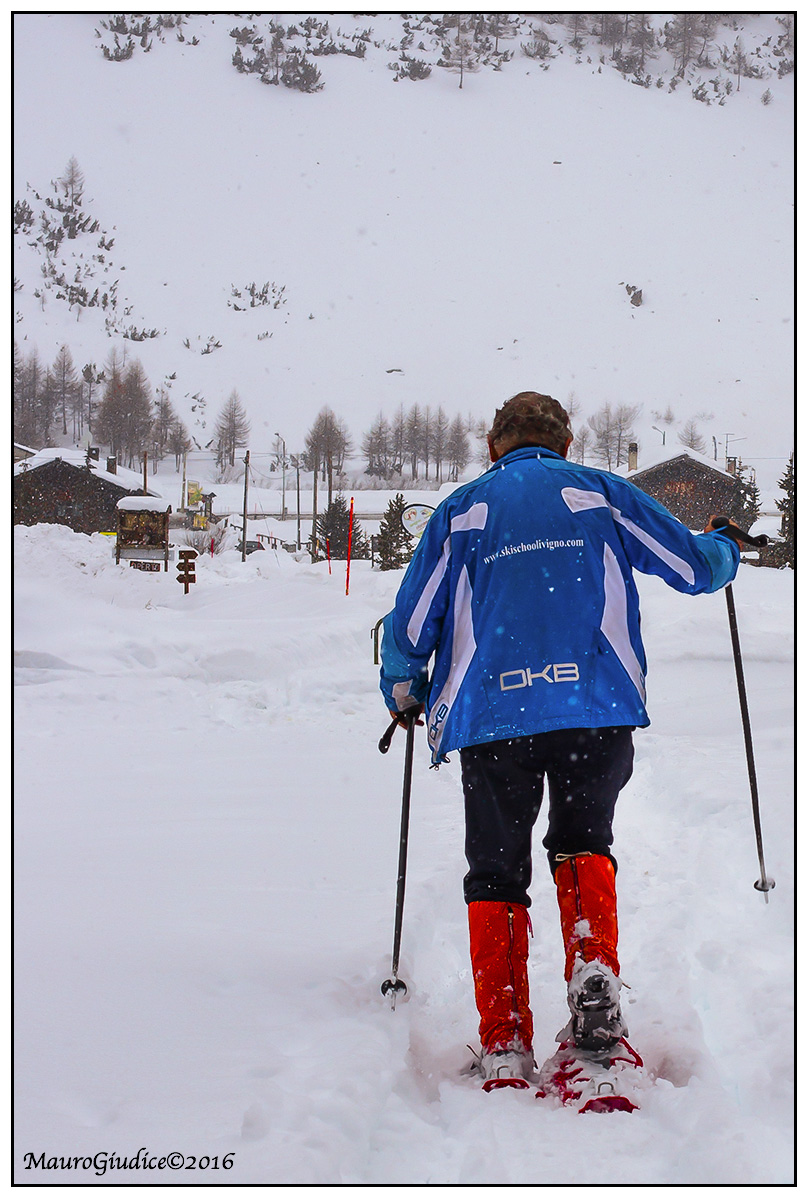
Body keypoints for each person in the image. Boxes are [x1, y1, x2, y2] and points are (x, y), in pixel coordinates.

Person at [379, 391, 743, 1090]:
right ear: (563, 444)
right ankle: (592, 972)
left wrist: (403, 687)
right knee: (582, 841)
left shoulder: (461, 512)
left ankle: (505, 1039)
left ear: (494, 446)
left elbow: (411, 623)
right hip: (593, 711)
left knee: (494, 869)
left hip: (495, 720)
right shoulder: (599, 494)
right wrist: (725, 547)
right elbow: (693, 567)